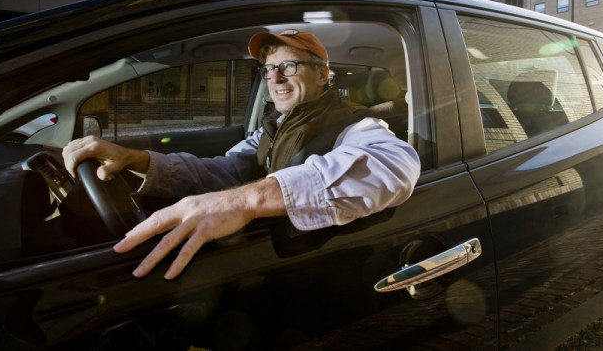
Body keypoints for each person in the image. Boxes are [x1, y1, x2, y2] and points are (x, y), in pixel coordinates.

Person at [63, 29, 420, 279]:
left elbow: (396, 165)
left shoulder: (353, 124)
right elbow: (223, 170)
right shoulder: (273, 128)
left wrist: (248, 200)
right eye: (268, 69)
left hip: (315, 269)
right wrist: (137, 159)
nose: (275, 78)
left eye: (289, 66)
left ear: (324, 74)